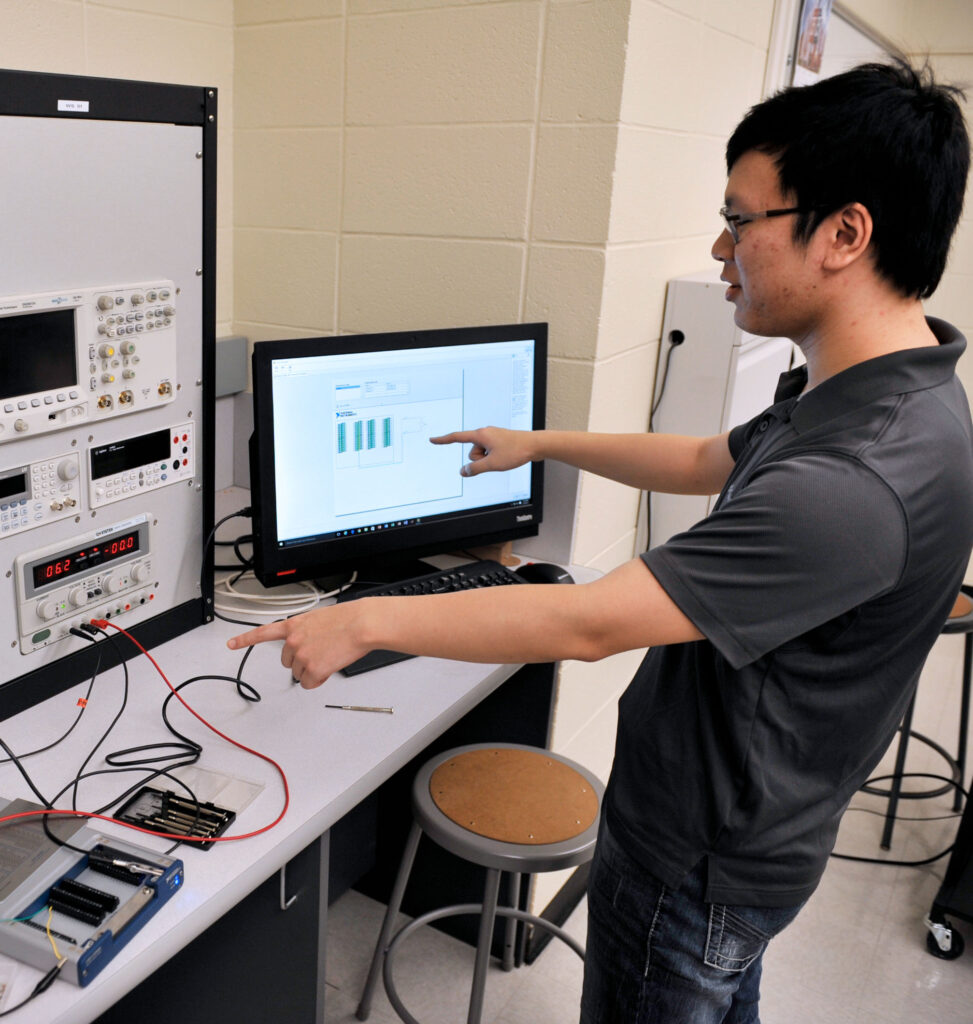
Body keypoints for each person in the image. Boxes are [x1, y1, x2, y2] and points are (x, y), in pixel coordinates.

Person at [229, 61, 973, 1023]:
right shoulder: (886, 395)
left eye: (740, 220)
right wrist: (539, 442)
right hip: (753, 837)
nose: (719, 248)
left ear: (843, 232)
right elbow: (710, 456)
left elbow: (587, 623)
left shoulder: (853, 480)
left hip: (696, 863)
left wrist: (364, 621)